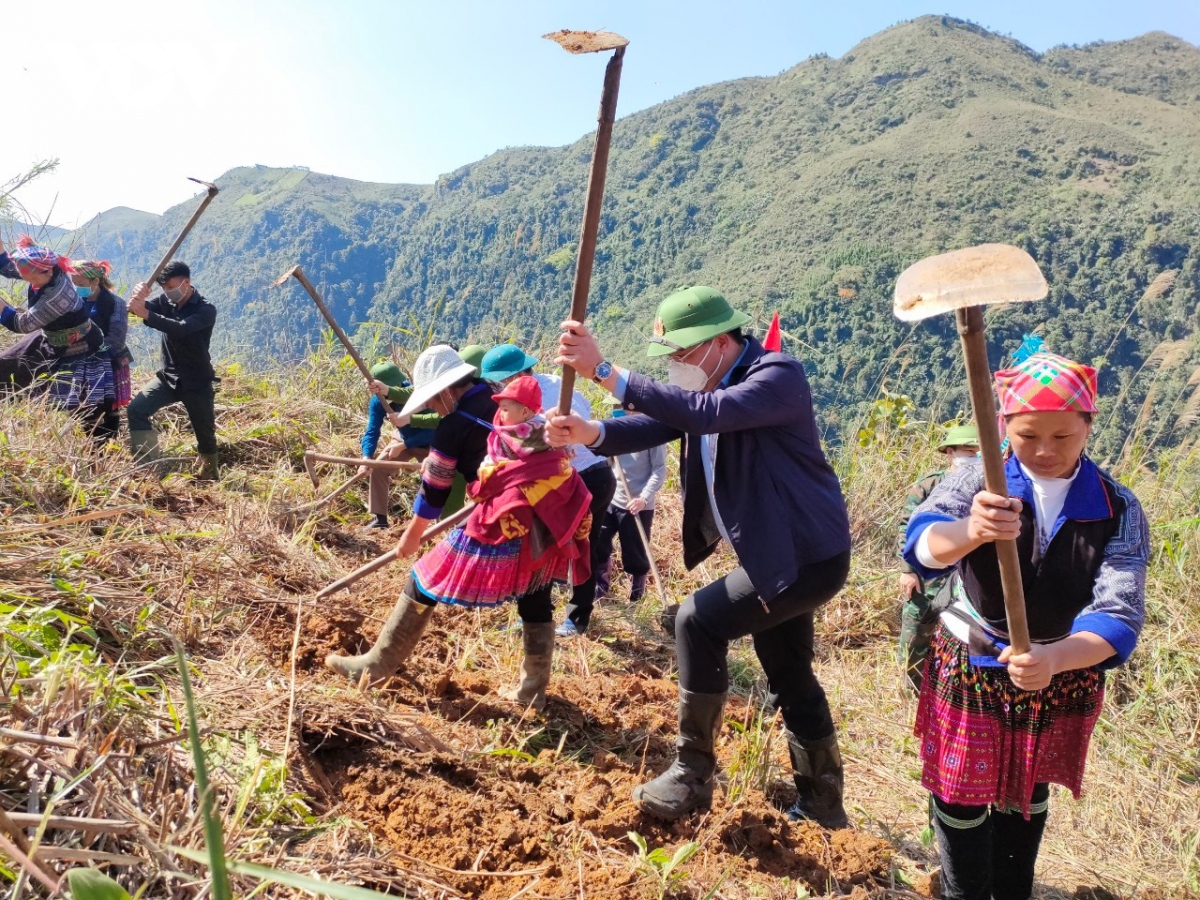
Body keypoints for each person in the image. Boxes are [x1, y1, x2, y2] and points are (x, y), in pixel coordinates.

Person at [549, 285, 853, 825]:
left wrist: (604, 371)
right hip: (778, 552)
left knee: (696, 621)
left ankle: (692, 775)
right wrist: (592, 432)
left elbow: (706, 413)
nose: (675, 365)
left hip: (803, 556)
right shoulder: (713, 379)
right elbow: (661, 421)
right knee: (789, 671)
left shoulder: (776, 376)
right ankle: (824, 803)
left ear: (718, 342)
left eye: (681, 353)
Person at [902, 352, 1148, 900]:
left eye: (1064, 435)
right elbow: (923, 546)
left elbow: (1120, 611)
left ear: (1089, 423)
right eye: (1028, 433)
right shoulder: (977, 481)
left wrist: (1055, 658)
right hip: (972, 661)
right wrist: (972, 529)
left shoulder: (1116, 507)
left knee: (1028, 788)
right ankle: (962, 890)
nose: (1045, 450)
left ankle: (1014, 889)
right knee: (962, 792)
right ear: (1004, 427)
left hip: (1060, 668)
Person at [326, 345, 593, 711]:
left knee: (422, 579)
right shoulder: (496, 398)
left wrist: (413, 533)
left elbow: (435, 486)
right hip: (545, 518)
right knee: (535, 591)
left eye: (434, 400)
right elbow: (533, 439)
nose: (434, 408)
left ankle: (375, 668)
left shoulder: (453, 425)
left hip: (504, 519)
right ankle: (533, 692)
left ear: (447, 390)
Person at [480, 343, 616, 637]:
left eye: (499, 381)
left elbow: (574, 436)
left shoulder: (555, 392)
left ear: (513, 376)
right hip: (553, 486)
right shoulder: (519, 399)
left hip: (587, 478)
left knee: (582, 548)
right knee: (538, 546)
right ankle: (534, 616)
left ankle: (577, 619)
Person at [898, 423, 979, 692]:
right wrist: (908, 570)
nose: (972, 456)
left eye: (976, 451)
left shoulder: (988, 485)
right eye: (967, 451)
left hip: (966, 575)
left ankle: (952, 688)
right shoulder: (930, 484)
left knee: (960, 632)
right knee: (917, 626)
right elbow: (907, 527)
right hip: (927, 574)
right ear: (950, 452)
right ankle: (911, 687)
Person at [0, 237, 114, 420]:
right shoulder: (44, 270)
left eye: (33, 278)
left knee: (83, 405)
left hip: (79, 346)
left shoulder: (58, 296)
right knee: (5, 366)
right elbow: (13, 269)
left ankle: (97, 441)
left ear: (48, 271)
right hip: (50, 336)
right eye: (26, 276)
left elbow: (21, 324)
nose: (30, 281)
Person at [127, 262, 219, 478]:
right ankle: (147, 469)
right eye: (164, 288)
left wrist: (147, 314)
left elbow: (180, 329)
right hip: (169, 377)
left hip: (197, 380)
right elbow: (133, 312)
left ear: (186, 283)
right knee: (136, 410)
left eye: (171, 286)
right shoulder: (165, 301)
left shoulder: (206, 309)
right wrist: (138, 298)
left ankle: (209, 475)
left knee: (205, 434)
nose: (167, 292)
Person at [594, 396, 668, 603]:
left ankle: (637, 595)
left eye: (622, 407)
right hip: (613, 498)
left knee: (634, 550)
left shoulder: (652, 434)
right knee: (599, 540)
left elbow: (660, 470)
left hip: (637, 504)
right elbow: (607, 461)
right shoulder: (616, 430)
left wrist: (643, 498)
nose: (618, 411)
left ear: (635, 409)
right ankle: (601, 586)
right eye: (616, 407)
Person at [360, 360, 442, 530]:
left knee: (436, 475)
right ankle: (380, 518)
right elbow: (372, 430)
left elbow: (434, 428)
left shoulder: (416, 395)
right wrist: (366, 457)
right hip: (403, 438)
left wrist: (405, 445)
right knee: (378, 468)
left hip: (430, 442)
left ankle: (438, 520)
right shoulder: (378, 402)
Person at [69, 260, 133, 441]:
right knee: (85, 408)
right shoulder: (75, 302)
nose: (77, 288)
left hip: (110, 361)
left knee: (109, 407)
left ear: (95, 281)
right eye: (74, 284)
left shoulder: (115, 303)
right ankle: (89, 445)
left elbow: (116, 338)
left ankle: (107, 445)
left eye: (80, 284)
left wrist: (97, 353)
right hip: (81, 361)